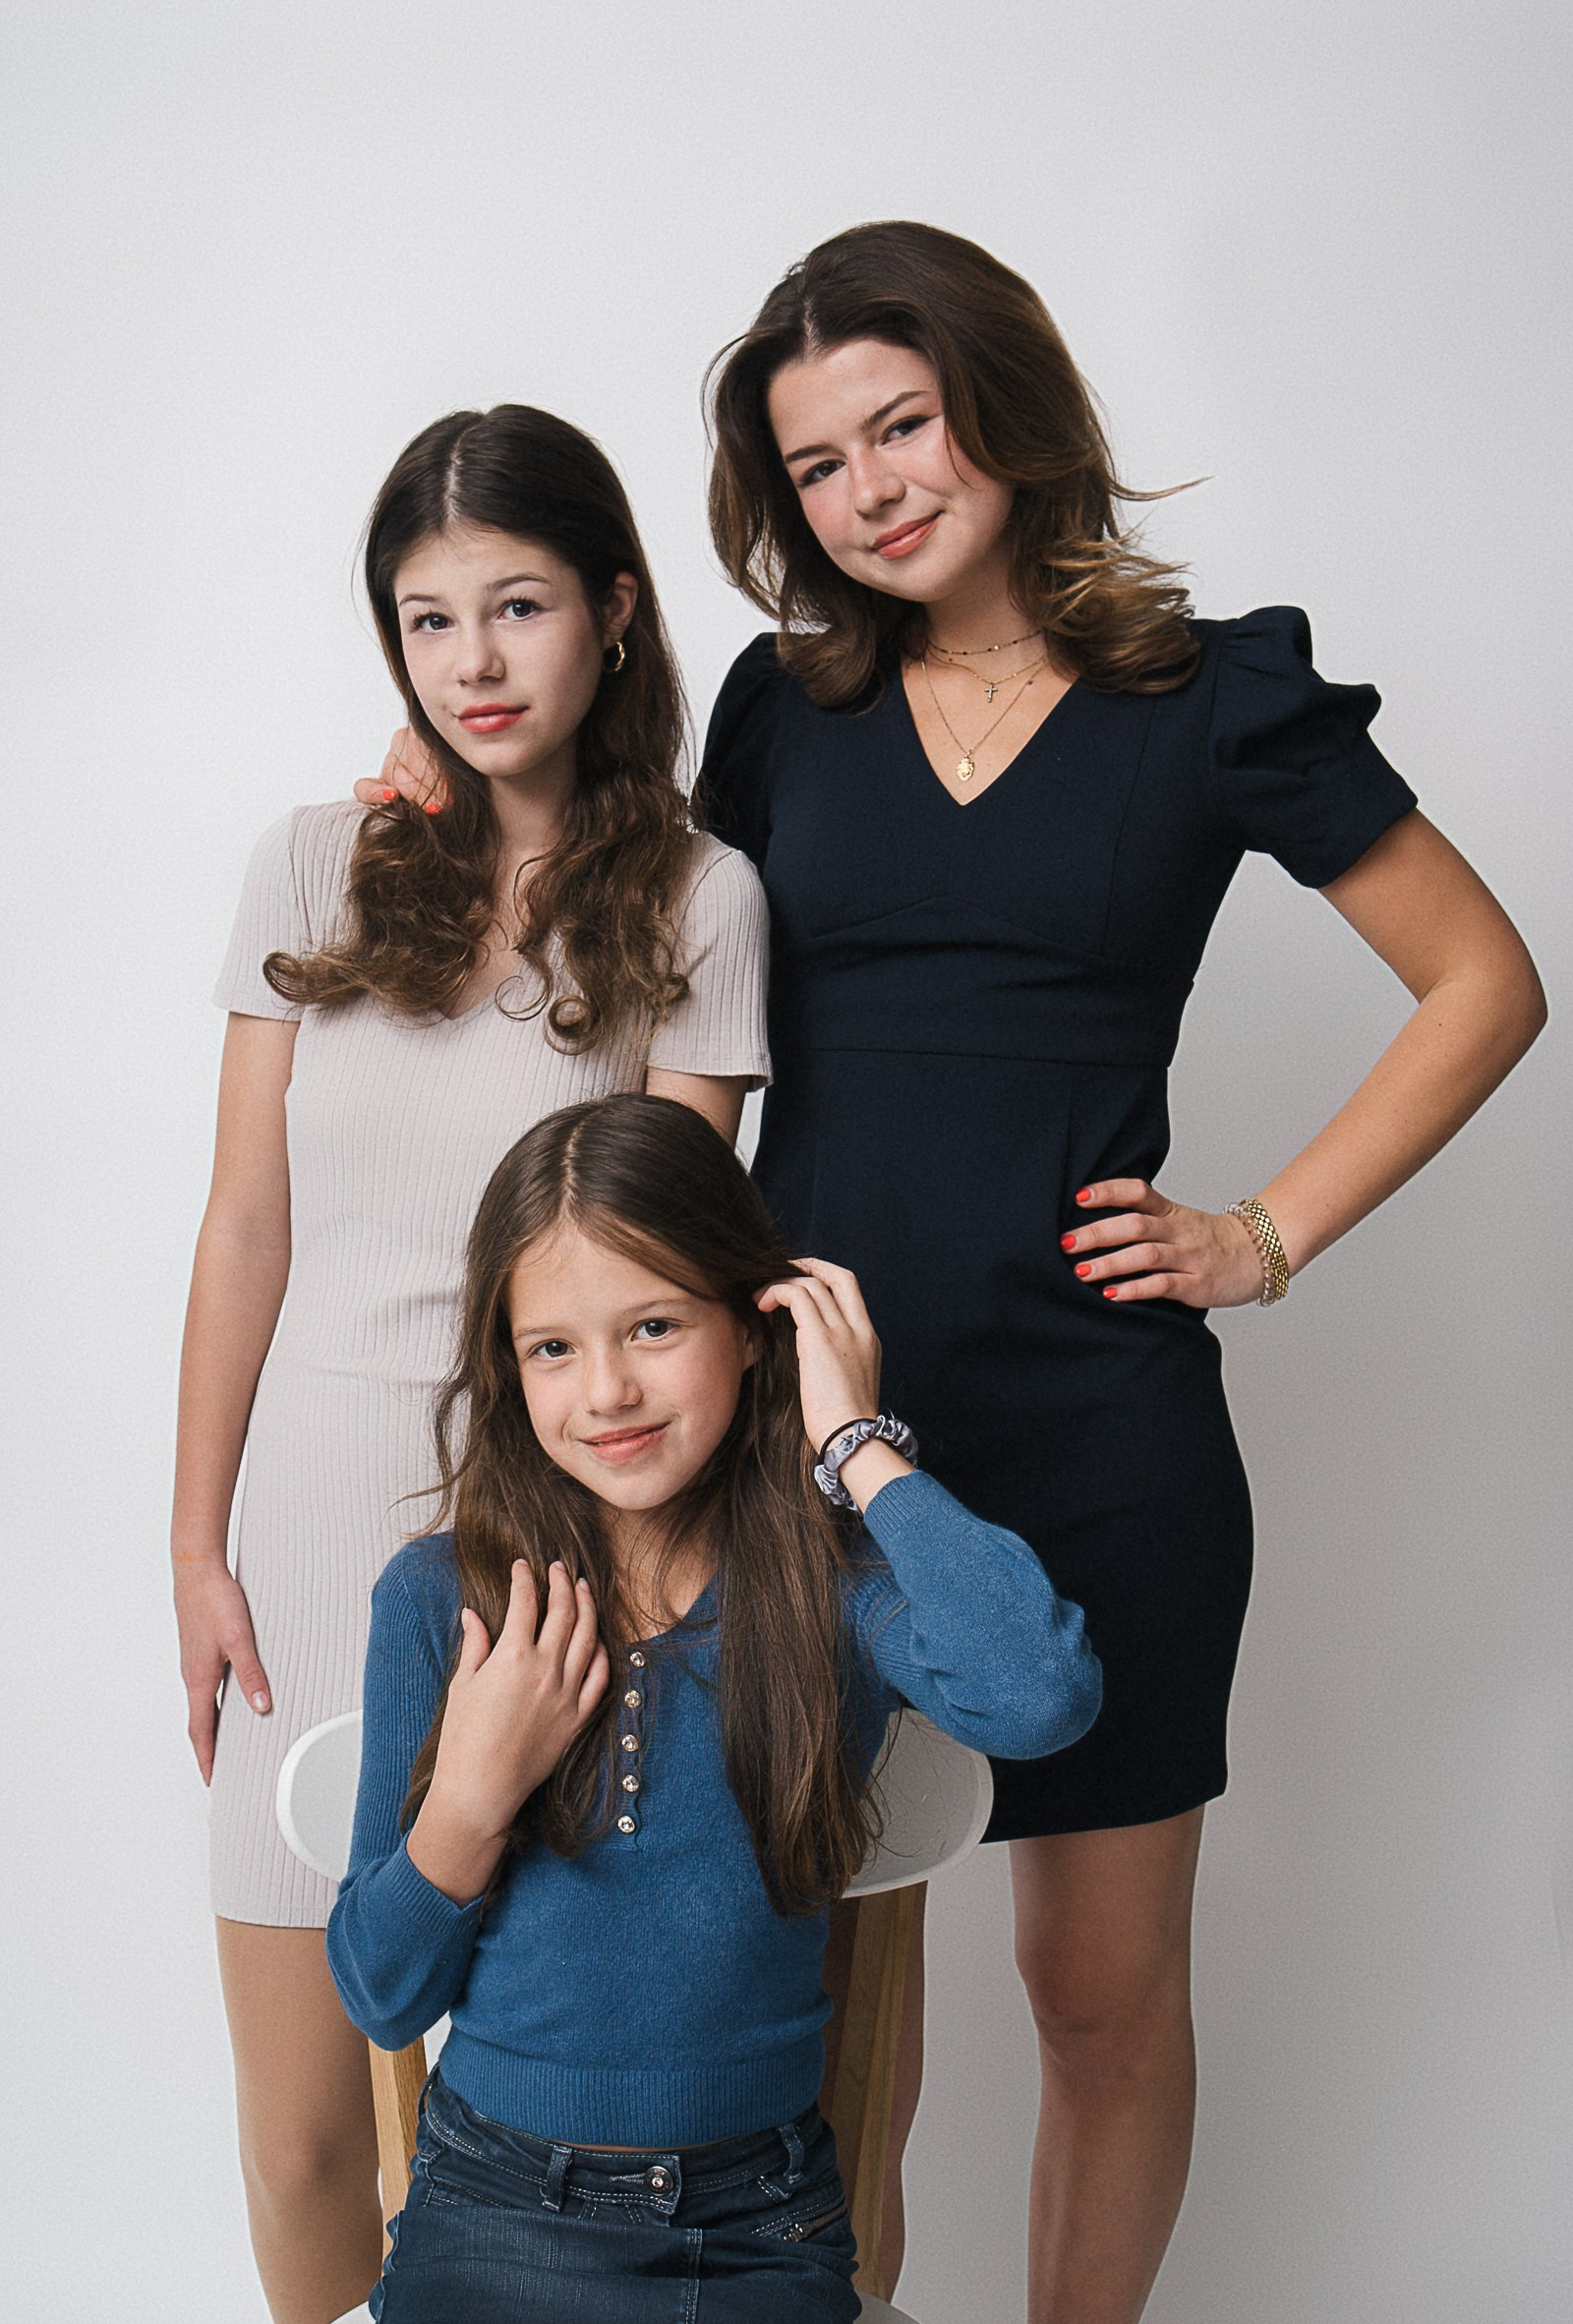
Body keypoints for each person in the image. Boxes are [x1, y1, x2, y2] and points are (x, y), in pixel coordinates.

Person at [353, 222, 1545, 2321]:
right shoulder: (781, 705)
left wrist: (1256, 1237)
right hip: (781, 1439)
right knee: (820, 2022)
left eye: (898, 423)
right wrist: (452, 782)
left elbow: (1481, 981)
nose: (870, 486)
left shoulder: (1208, 696)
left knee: (1091, 1998)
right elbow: (641, 916)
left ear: (1004, 403)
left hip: (1091, 1428)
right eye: (817, 464)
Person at [171, 406, 771, 2323]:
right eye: (427, 622)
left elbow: (668, 1266)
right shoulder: (307, 863)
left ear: (610, 610)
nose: (475, 664)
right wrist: (195, 1545)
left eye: (515, 607)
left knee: (508, 2121)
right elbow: (244, 1227)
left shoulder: (700, 901)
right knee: (298, 2135)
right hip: (304, 1509)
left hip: (544, 1544)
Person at [326, 1090, 1102, 2323]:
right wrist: (472, 1796)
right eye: (553, 1349)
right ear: (505, 1363)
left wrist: (853, 1440)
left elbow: (1040, 1691)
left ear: (756, 1327)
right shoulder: (442, 1599)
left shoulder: (828, 1587)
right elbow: (380, 1991)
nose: (607, 1392)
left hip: (759, 2223)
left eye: (652, 1326)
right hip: (493, 2208)